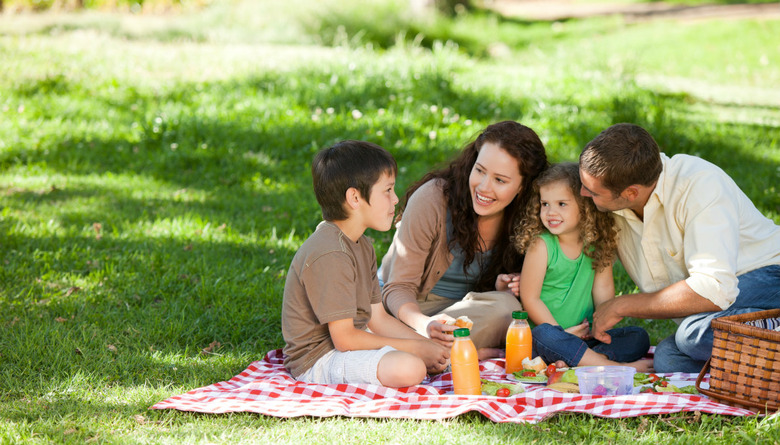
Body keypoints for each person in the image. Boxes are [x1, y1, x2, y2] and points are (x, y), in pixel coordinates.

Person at [578, 123, 780, 373]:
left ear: (631, 193)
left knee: (692, 335)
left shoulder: (700, 185)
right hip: (717, 309)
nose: (582, 193)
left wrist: (622, 304)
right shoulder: (615, 203)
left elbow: (714, 289)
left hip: (770, 277)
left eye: (592, 191)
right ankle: (763, 360)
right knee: (669, 359)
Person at [281, 140, 449, 388]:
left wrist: (425, 344)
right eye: (388, 190)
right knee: (411, 367)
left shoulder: (362, 244)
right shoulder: (330, 253)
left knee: (430, 355)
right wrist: (416, 348)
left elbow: (377, 318)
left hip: (353, 342)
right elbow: (344, 340)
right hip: (319, 359)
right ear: (355, 197)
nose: (395, 199)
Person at [379, 121, 549, 358]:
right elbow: (397, 288)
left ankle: (425, 352)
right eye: (479, 170)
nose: (483, 187)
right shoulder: (433, 200)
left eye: (500, 180)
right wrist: (424, 325)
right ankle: (459, 352)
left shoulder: (532, 218)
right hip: (406, 309)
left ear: (523, 186)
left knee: (508, 309)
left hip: (465, 315)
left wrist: (507, 286)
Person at [504, 162, 652, 372]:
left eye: (561, 204)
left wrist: (600, 329)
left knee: (638, 337)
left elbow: (603, 295)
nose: (550, 212)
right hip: (549, 339)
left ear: (585, 207)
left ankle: (585, 360)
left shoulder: (598, 245)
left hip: (584, 338)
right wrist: (561, 334)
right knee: (542, 335)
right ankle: (613, 367)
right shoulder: (542, 245)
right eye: (545, 204)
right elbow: (530, 299)